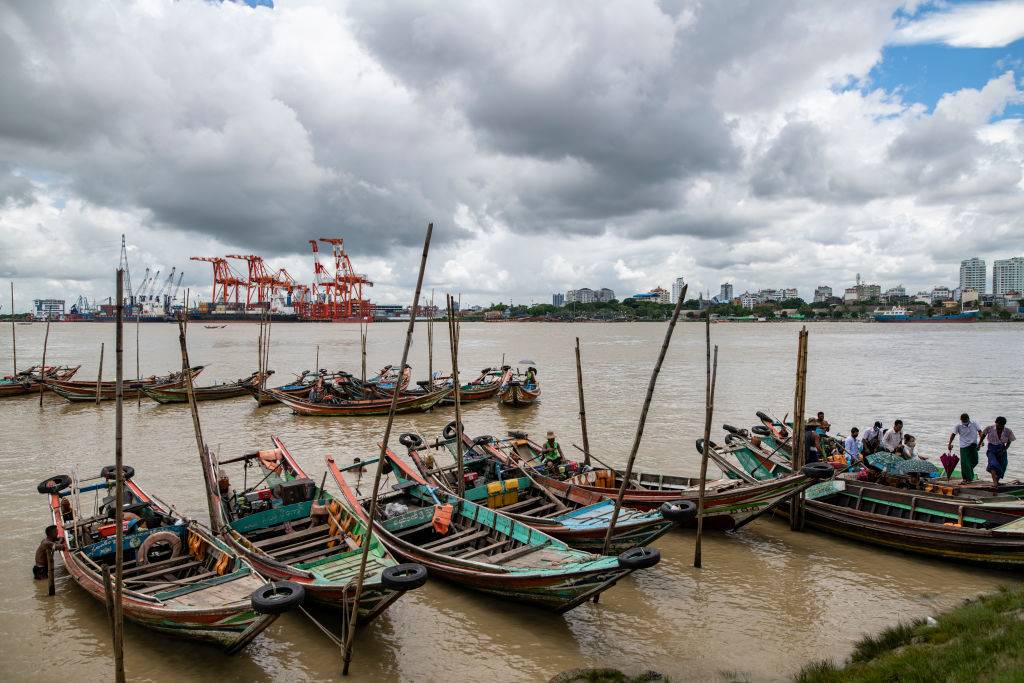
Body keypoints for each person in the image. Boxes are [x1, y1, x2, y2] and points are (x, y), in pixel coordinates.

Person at [980, 417, 1015, 486]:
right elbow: (983, 435)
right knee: (993, 464)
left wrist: (1004, 449)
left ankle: (997, 480)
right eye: (999, 425)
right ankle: (995, 483)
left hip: (1002, 448)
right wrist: (979, 444)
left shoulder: (1008, 431)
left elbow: (1009, 441)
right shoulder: (989, 428)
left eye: (1002, 426)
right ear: (996, 423)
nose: (1000, 427)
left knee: (1003, 465)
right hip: (991, 449)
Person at [948, 413, 982, 483]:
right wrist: (950, 444)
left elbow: (980, 432)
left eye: (966, 420)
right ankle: (966, 479)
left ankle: (969, 475)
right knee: (964, 463)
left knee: (975, 461)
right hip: (963, 446)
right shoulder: (958, 426)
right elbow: (953, 434)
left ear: (968, 419)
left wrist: (981, 442)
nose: (965, 422)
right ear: (961, 420)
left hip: (973, 444)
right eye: (963, 421)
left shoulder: (974, 423)